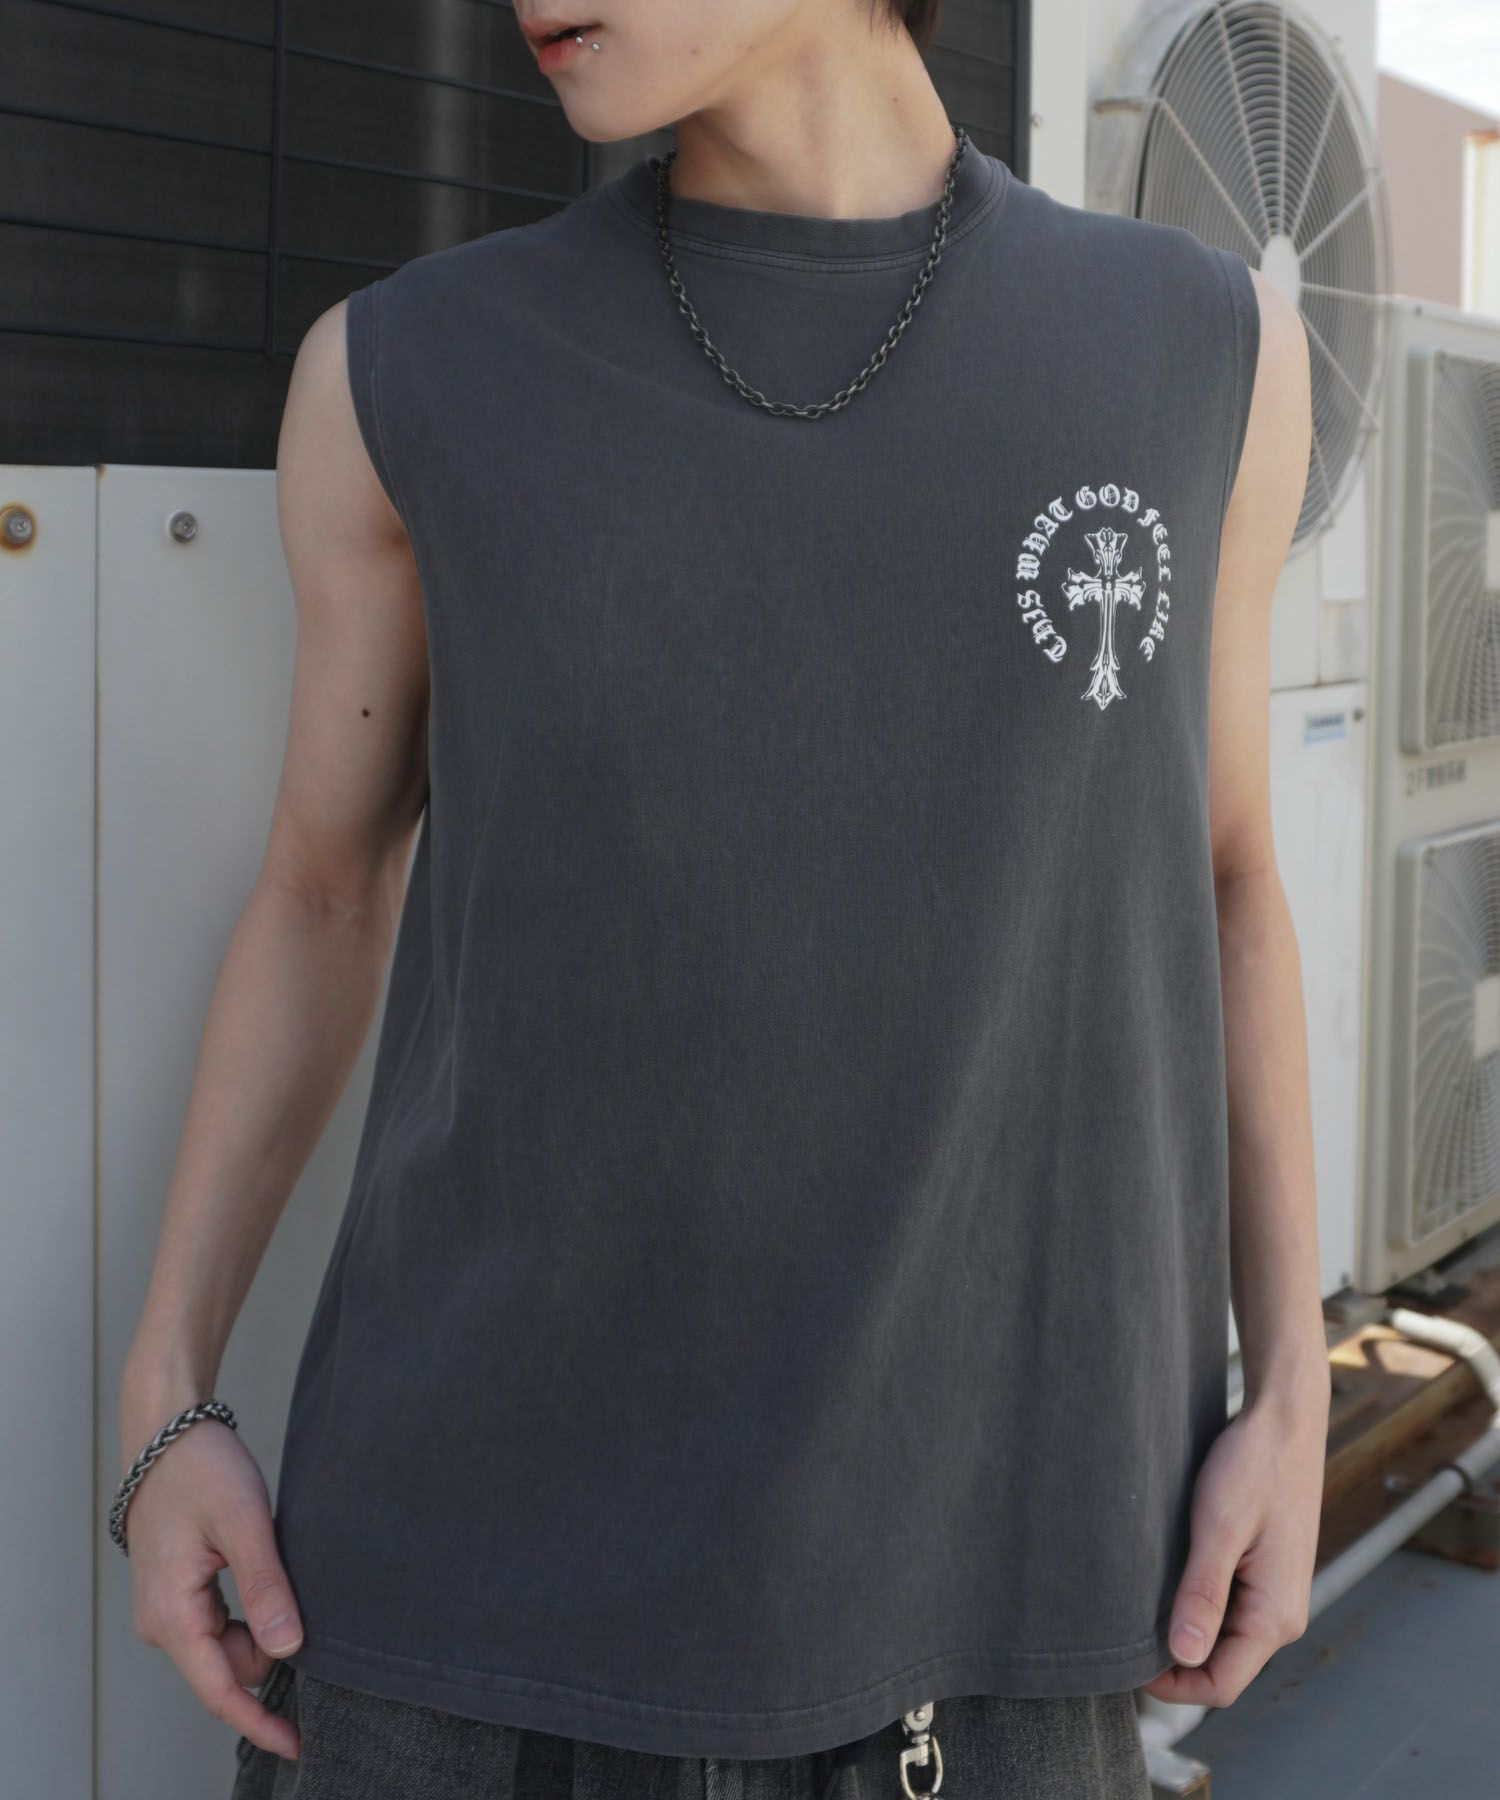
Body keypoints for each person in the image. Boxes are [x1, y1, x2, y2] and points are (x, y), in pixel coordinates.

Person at [115, 1, 1328, 1795]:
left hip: (994, 1610)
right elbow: (321, 890)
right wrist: (165, 1397)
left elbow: (1224, 872)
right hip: (458, 1623)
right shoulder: (404, 369)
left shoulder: (1199, 351)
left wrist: (1293, 1381)